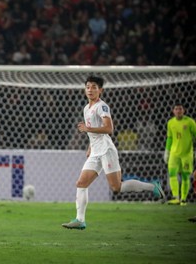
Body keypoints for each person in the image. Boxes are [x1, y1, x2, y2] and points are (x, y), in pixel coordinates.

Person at [62, 75, 165, 230]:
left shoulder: (102, 106)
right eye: (88, 87)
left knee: (116, 188)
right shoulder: (86, 108)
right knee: (81, 183)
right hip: (96, 151)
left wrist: (88, 129)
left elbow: (109, 129)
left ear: (100, 90)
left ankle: (152, 187)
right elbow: (93, 132)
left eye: (94, 87)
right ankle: (80, 220)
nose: (90, 90)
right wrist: (90, 146)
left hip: (107, 150)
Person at [164, 103, 196, 206]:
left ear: (184, 110)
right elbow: (169, 138)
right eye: (176, 109)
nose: (178, 111)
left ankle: (183, 199)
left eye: (180, 109)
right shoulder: (170, 123)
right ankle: (176, 198)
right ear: (173, 111)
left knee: (185, 176)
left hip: (186, 154)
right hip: (174, 153)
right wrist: (167, 151)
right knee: (172, 174)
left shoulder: (190, 122)